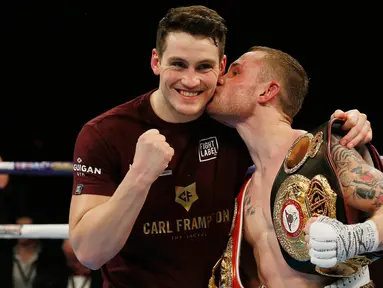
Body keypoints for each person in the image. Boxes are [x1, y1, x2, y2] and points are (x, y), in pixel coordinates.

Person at [68, 5, 373, 288]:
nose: (191, 80)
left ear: (222, 66)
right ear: (156, 61)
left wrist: (352, 127)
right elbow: (89, 255)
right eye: (178, 64)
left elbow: (286, 127)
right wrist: (139, 177)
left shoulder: (240, 127)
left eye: (205, 67)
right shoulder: (106, 133)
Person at [206, 46, 382, 287]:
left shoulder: (326, 152)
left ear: (267, 91)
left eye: (235, 72)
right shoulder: (243, 187)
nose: (219, 79)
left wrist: (356, 239)